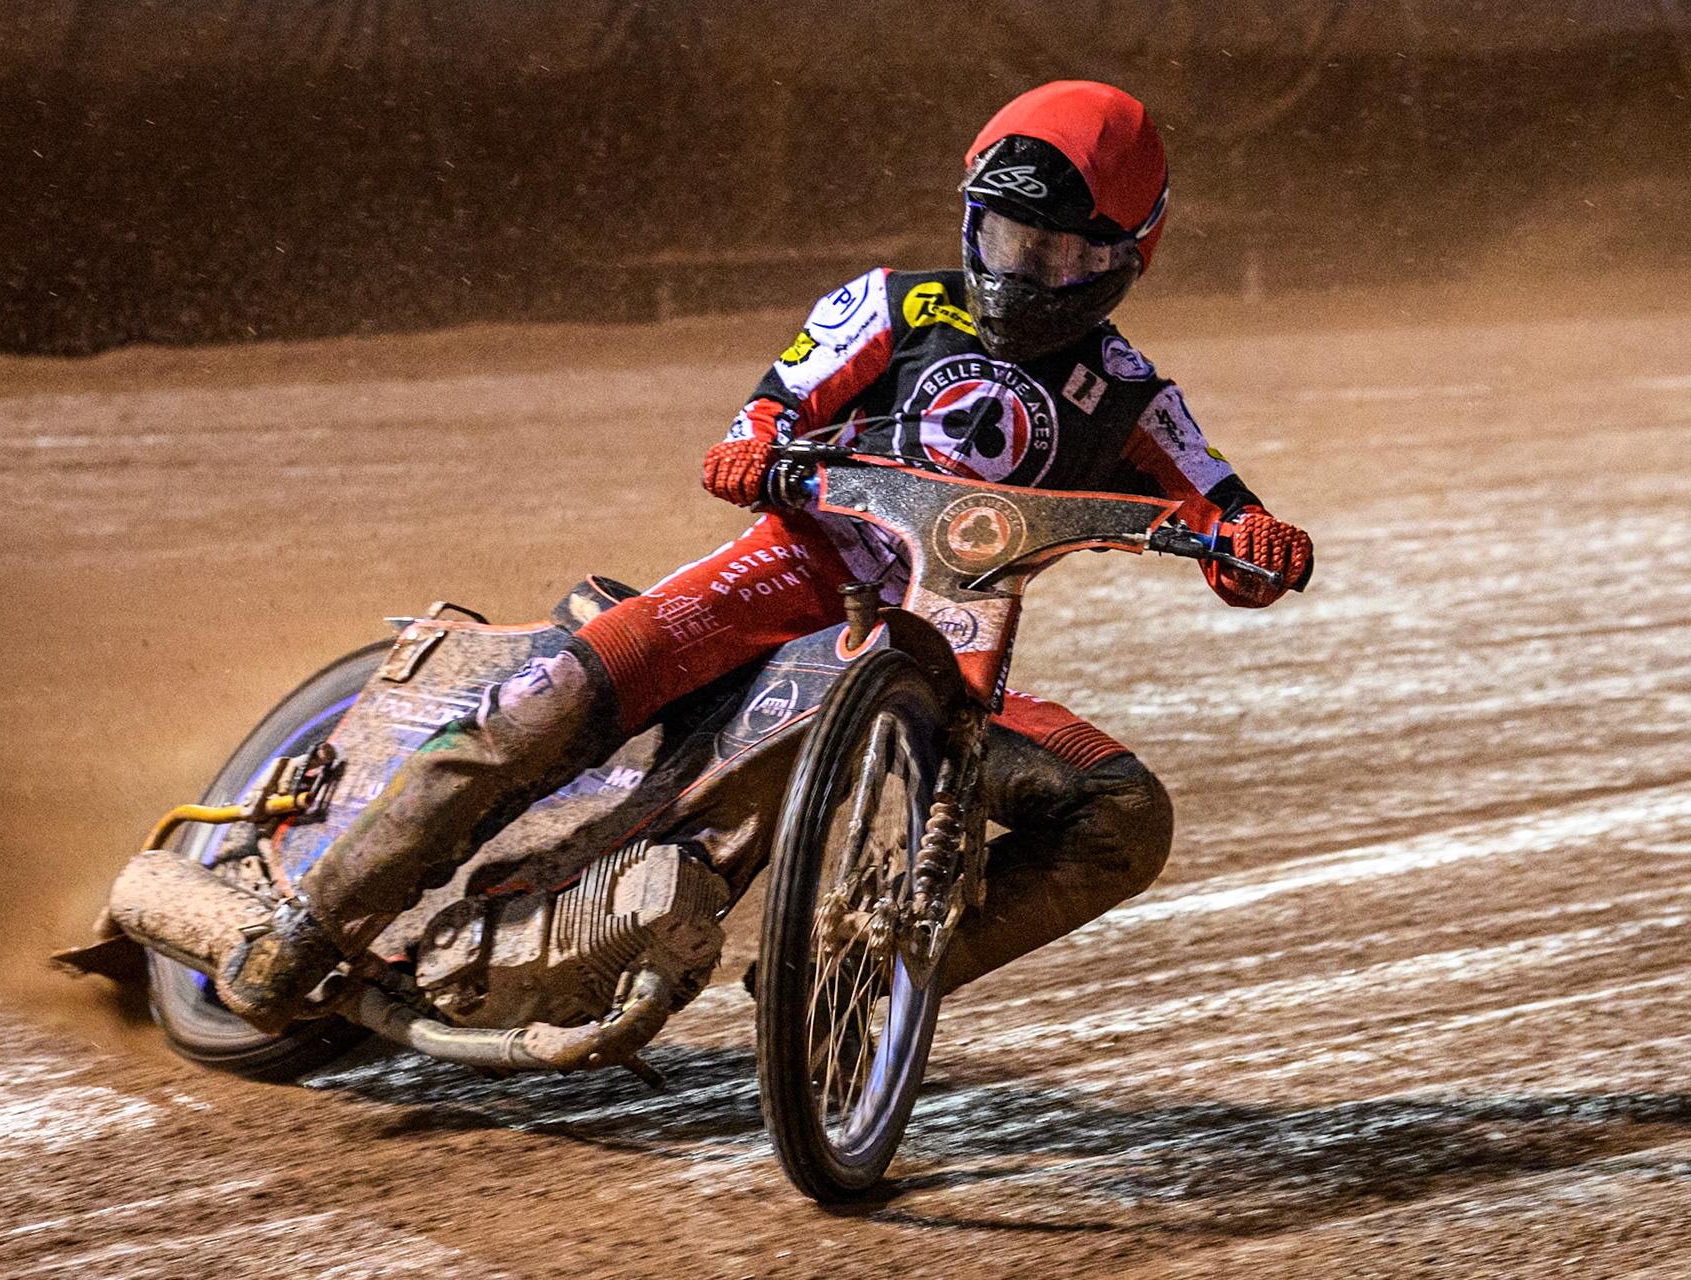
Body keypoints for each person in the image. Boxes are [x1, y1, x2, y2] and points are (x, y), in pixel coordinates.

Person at [215, 80, 1314, 1032]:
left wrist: (1256, 547)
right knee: (540, 710)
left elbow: (1229, 520)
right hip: (776, 585)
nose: (1022, 271)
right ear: (970, 217)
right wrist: (752, 449)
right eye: (1003, 237)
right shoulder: (891, 304)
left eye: (1060, 251)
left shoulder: (1131, 397)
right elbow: (762, 416)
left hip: (945, 657)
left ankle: (850, 986)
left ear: (1130, 254)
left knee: (1124, 812)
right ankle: (309, 923)